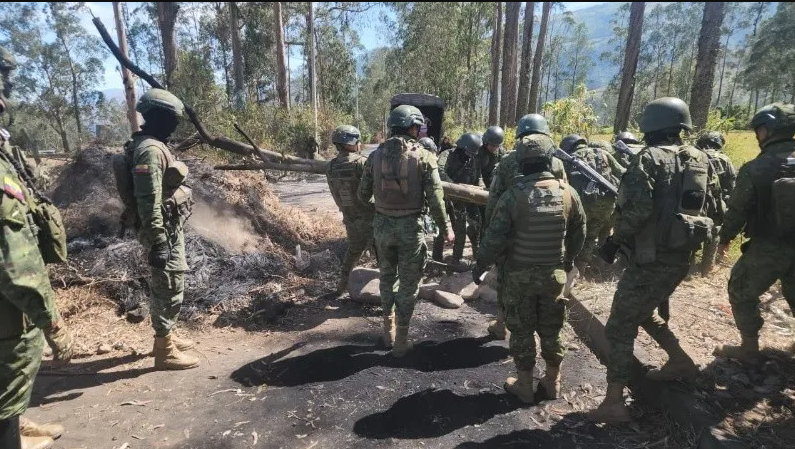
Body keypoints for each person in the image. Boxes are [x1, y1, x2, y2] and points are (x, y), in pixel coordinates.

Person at [586, 97, 723, 424]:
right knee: (643, 311)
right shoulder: (700, 159)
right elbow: (716, 208)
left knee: (619, 325)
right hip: (681, 258)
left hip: (649, 260)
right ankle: (680, 361)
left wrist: (613, 242)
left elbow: (638, 210)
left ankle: (614, 402)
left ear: (651, 126)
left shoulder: (649, 159)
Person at [473, 134, 585, 404]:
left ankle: (524, 386)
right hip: (554, 276)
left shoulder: (513, 196)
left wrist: (480, 264)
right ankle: (553, 381)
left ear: (521, 163)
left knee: (522, 331)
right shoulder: (568, 193)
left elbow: (494, 238)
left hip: (519, 277)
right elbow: (579, 232)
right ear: (550, 160)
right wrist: (568, 261)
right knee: (552, 329)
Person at [1, 45, 75, 449]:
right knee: (11, 364)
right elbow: (15, 261)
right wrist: (51, 322)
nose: (6, 96)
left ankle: (14, 421)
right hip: (8, 310)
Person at [357, 105, 453, 356]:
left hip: (382, 227)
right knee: (409, 284)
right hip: (411, 228)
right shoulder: (424, 156)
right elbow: (436, 199)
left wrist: (381, 207)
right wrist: (446, 229)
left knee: (387, 278)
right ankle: (401, 340)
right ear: (412, 127)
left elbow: (362, 195)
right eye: (418, 127)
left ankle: (386, 331)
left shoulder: (374, 156)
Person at [713, 103, 795, 364]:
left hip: (769, 246)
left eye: (759, 130)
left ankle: (749, 348)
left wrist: (725, 238)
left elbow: (738, 209)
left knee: (740, 289)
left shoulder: (756, 168)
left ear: (769, 130)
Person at [128, 88, 198, 370]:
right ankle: (164, 349)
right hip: (161, 231)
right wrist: (158, 242)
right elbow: (148, 201)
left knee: (171, 282)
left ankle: (168, 333)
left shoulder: (152, 145)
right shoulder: (150, 151)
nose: (175, 126)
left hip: (167, 227)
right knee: (168, 284)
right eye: (172, 120)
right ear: (158, 117)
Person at [483, 114, 566, 340]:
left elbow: (494, 200)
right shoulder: (557, 163)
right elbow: (564, 196)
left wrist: (490, 232)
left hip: (514, 234)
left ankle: (502, 324)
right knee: (548, 286)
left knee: (507, 280)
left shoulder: (508, 161)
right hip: (548, 236)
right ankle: (545, 336)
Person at [559, 135, 624, 283]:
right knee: (592, 236)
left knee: (575, 236)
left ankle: (571, 270)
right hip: (606, 204)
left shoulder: (568, 160)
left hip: (582, 204)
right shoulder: (603, 153)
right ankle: (588, 269)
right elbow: (623, 173)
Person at [326, 125, 375, 295]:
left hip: (350, 217)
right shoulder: (361, 163)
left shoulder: (330, 166)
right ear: (351, 142)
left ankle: (341, 286)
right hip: (369, 217)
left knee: (354, 250)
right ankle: (389, 295)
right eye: (358, 140)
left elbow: (335, 193)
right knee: (382, 254)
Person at [694, 131, 737, 277]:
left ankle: (689, 264)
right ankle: (707, 267)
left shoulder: (694, 155)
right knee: (715, 231)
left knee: (692, 228)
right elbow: (731, 184)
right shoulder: (724, 159)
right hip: (717, 203)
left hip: (695, 201)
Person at [444, 133, 483, 266]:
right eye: (468, 152)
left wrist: (480, 189)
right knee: (455, 229)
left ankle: (475, 257)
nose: (469, 155)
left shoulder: (473, 159)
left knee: (474, 226)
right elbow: (439, 171)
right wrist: (453, 187)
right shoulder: (448, 155)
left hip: (468, 197)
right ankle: (452, 258)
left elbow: (478, 176)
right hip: (450, 197)